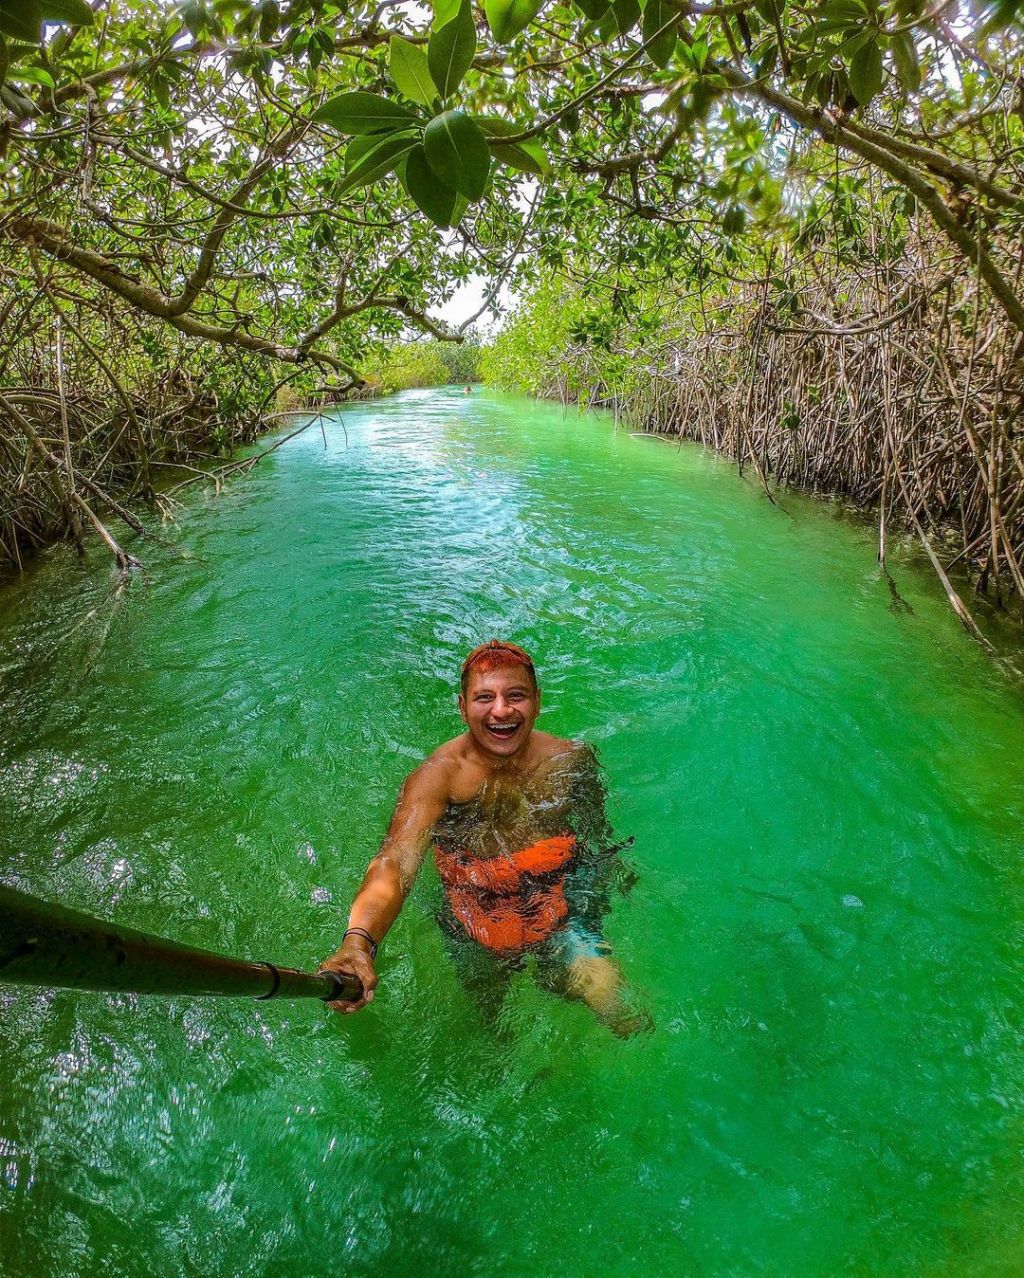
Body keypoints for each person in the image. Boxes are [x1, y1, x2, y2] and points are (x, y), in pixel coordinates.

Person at [319, 640, 643, 1033]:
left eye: (516, 696)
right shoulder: (438, 778)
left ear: (537, 702)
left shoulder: (571, 759)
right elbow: (396, 860)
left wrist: (612, 876)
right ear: (462, 706)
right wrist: (358, 942)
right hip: (472, 904)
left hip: (560, 889)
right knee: (493, 1017)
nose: (501, 710)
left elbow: (596, 836)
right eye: (484, 697)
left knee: (617, 1007)